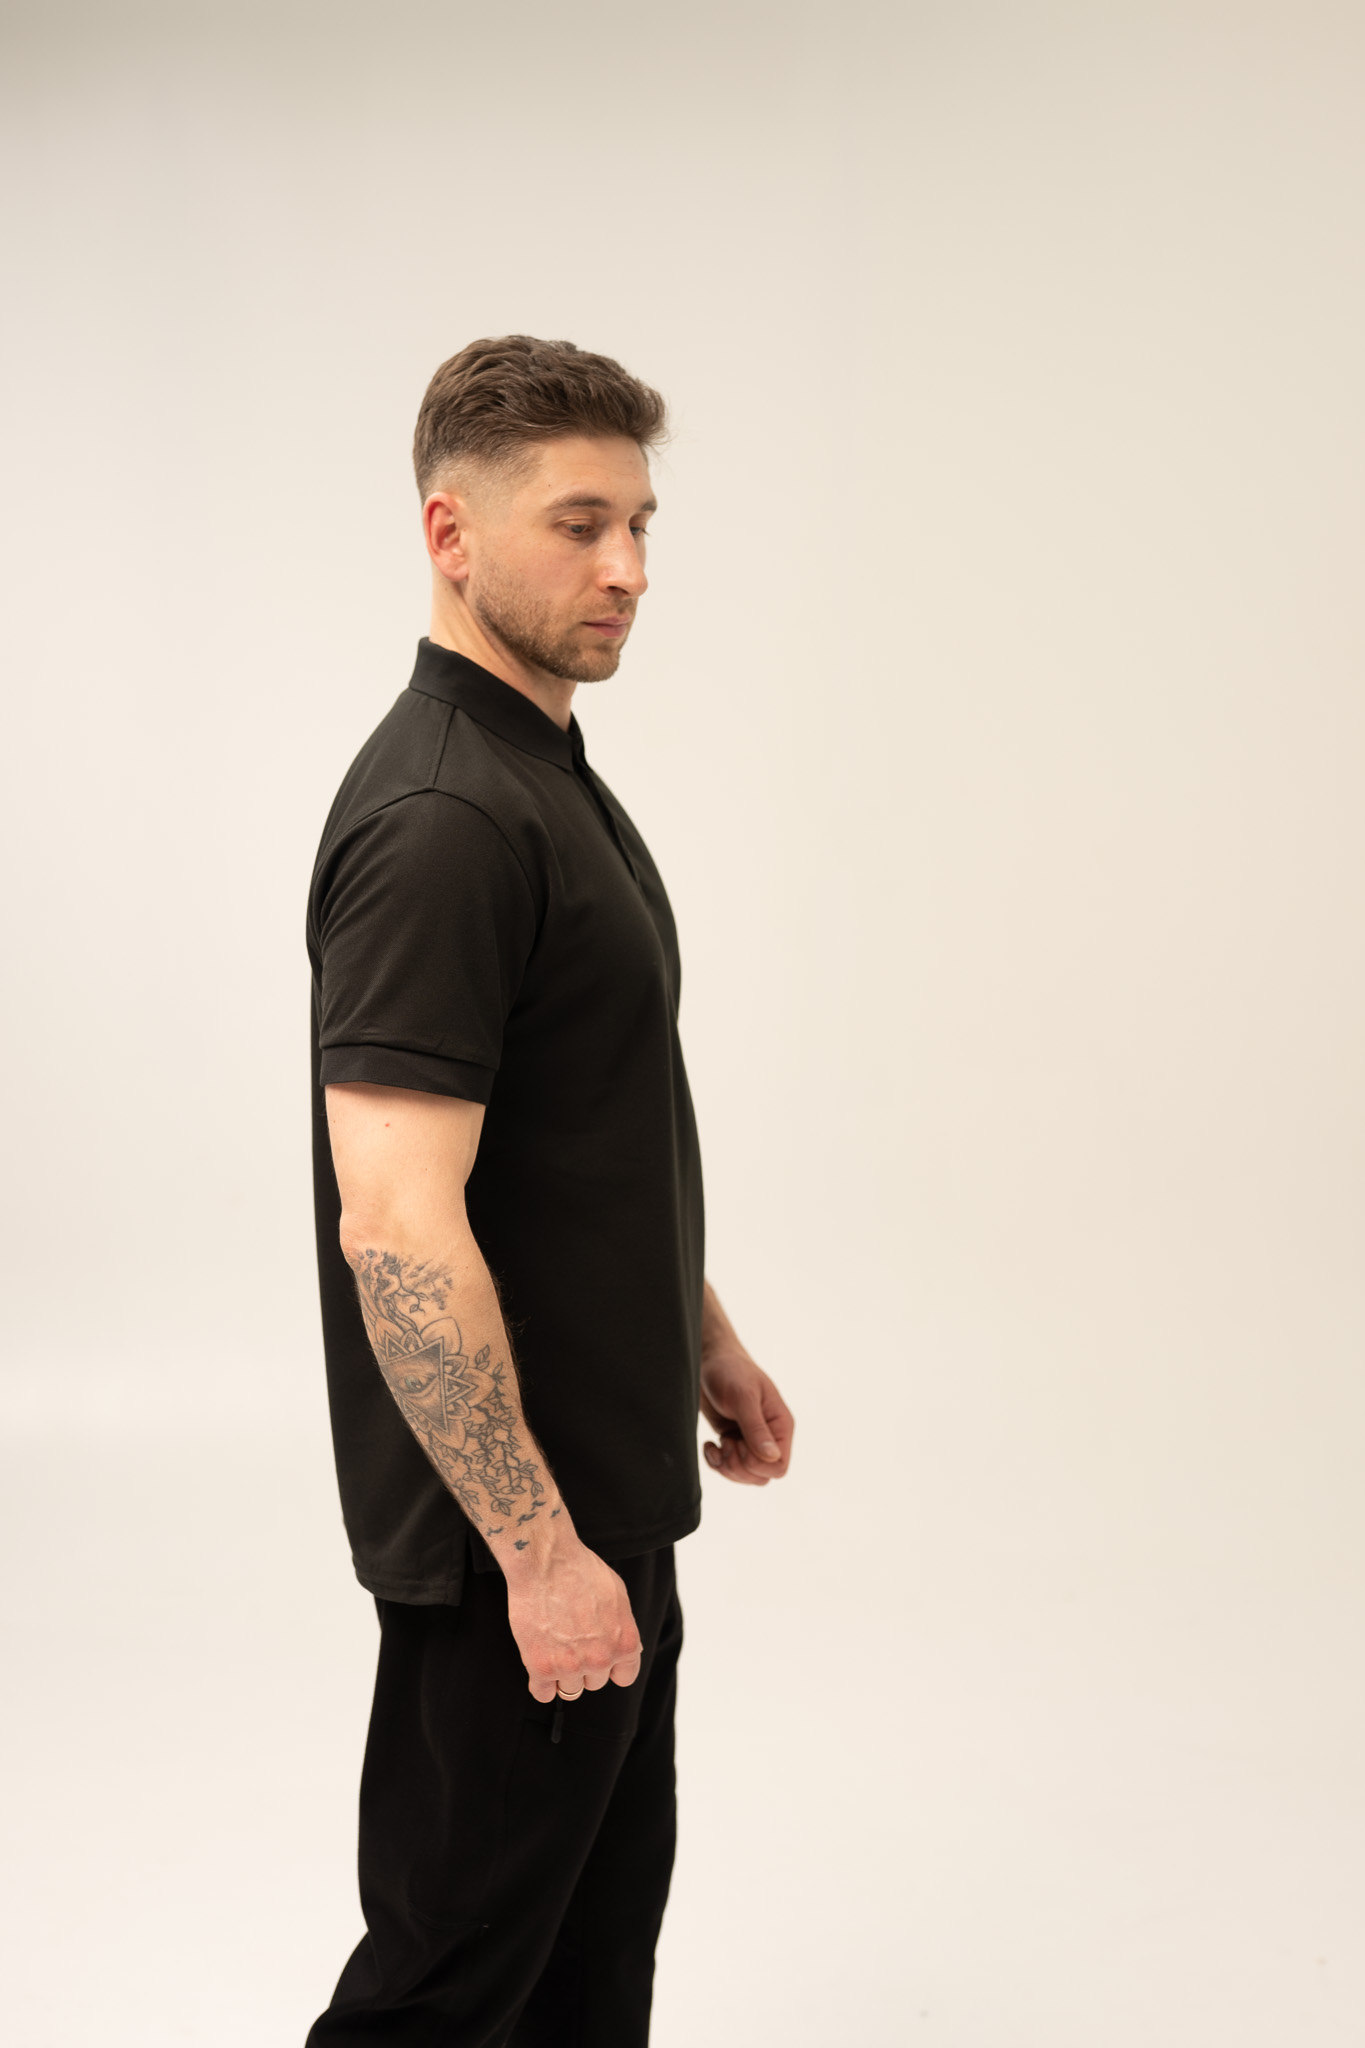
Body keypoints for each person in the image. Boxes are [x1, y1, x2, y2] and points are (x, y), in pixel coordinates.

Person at [303, 335, 795, 2047]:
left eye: (641, 525)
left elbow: (580, 1116)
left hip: (601, 1502)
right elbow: (395, 1220)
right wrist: (536, 1553)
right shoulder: (444, 819)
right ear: (450, 535)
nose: (628, 569)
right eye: (580, 525)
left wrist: (699, 1333)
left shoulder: (544, 778)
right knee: (444, 1996)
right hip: (516, 1539)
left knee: (585, 1982)